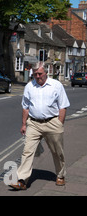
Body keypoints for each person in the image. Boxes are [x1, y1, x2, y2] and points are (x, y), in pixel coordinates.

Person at [9, 62, 70, 190]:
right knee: (27, 151)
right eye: (35, 74)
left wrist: (59, 123)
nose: (37, 76)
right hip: (34, 123)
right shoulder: (29, 87)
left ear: (46, 72)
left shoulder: (56, 85)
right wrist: (24, 124)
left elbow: (63, 106)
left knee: (57, 151)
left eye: (40, 73)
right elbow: (25, 107)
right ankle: (22, 180)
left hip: (52, 122)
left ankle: (60, 175)